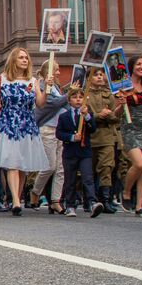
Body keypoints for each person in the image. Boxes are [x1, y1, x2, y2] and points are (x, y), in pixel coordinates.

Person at [0, 48, 51, 216]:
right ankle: (16, 201)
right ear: (14, 60)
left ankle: (16, 197)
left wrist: (47, 88)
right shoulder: (2, 79)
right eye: (21, 57)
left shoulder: (32, 81)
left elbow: (40, 103)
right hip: (8, 123)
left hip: (26, 124)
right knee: (12, 163)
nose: (25, 60)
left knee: (23, 165)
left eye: (26, 57)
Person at [55, 87, 104, 218]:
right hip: (70, 152)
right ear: (69, 101)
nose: (78, 99)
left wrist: (87, 116)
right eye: (75, 97)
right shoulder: (64, 116)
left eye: (80, 97)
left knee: (88, 177)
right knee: (70, 180)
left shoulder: (87, 114)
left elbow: (93, 128)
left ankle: (92, 202)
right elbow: (59, 133)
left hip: (84, 152)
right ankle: (70, 205)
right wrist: (71, 137)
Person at [30, 59, 68, 214]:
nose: (59, 72)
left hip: (60, 130)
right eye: (56, 69)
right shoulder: (41, 85)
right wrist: (69, 95)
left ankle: (55, 200)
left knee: (60, 168)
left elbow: (64, 103)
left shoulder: (57, 87)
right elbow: (52, 103)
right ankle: (35, 192)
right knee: (50, 166)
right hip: (47, 129)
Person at [119, 55, 142, 216]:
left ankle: (139, 206)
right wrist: (121, 103)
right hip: (130, 128)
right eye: (139, 64)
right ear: (132, 66)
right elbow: (116, 113)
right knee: (139, 164)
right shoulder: (124, 86)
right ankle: (126, 192)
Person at [86, 68, 120, 214]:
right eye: (96, 74)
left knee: (106, 167)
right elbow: (83, 115)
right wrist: (98, 115)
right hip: (90, 136)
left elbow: (115, 118)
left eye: (101, 74)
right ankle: (90, 199)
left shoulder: (109, 95)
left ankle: (105, 199)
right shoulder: (85, 94)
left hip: (106, 136)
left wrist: (116, 111)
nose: (100, 77)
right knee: (90, 170)